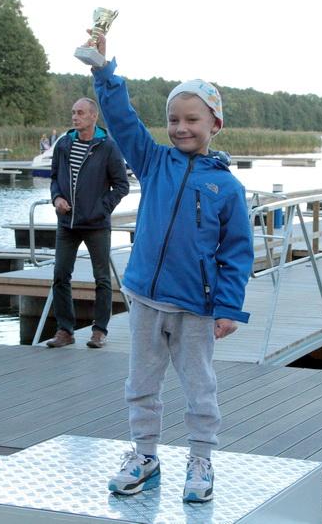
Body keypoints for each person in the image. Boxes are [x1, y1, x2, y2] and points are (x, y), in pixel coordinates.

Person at [89, 34, 253, 503]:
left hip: (196, 307)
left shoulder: (227, 187)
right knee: (141, 383)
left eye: (191, 119)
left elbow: (236, 252)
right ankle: (144, 456)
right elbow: (122, 120)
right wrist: (103, 72)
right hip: (145, 298)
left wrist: (229, 307)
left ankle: (201, 459)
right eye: (173, 120)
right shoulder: (153, 161)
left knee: (200, 387)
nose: (181, 128)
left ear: (215, 124)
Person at [47, 97, 129, 349]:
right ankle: (65, 331)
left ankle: (99, 331)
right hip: (67, 223)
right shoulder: (63, 144)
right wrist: (57, 198)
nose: (75, 117)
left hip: (96, 224)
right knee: (60, 275)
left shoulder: (107, 147)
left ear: (94, 116)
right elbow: (54, 178)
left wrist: (101, 208)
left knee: (102, 278)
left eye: (81, 112)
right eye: (73, 112)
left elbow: (122, 185)